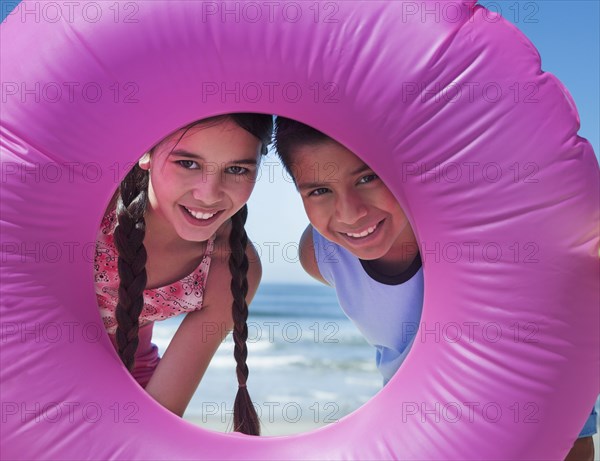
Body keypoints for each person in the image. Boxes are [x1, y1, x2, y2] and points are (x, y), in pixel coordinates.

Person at [273, 116, 596, 458]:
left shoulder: (481, 226)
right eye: (320, 190)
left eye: (368, 178)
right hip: (419, 429)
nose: (351, 214)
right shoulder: (319, 254)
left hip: (532, 406)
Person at [94, 113, 272, 436]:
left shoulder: (230, 266)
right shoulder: (99, 204)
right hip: (38, 370)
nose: (208, 194)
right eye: (188, 164)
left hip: (131, 388)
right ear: (145, 151)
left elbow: (161, 411)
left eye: (236, 169)